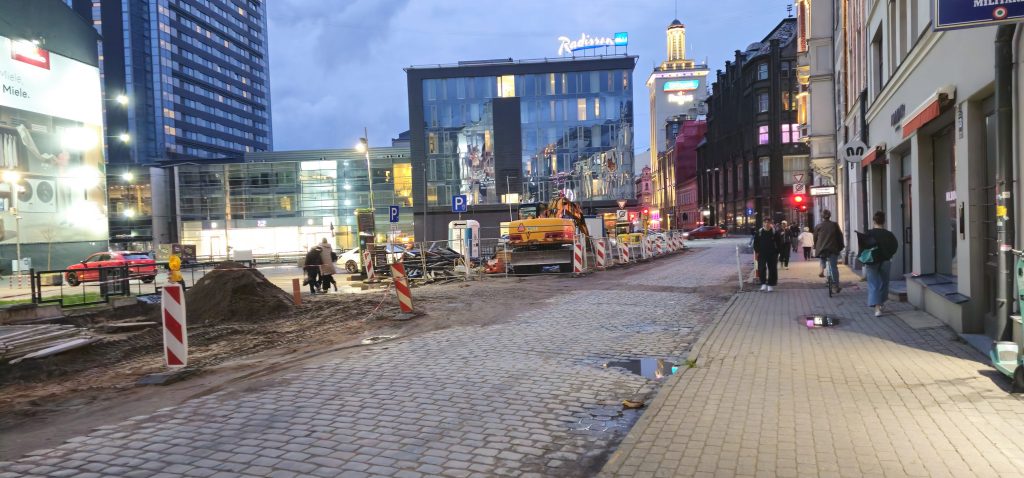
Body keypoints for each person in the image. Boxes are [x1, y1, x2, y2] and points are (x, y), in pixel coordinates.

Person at [862, 211, 899, 316]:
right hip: (886, 261)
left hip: (872, 261)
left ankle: (877, 308)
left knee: (873, 284)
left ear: (874, 220)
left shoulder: (869, 233)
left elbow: (864, 247)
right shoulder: (889, 234)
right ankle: (881, 303)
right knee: (884, 283)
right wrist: (889, 255)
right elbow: (895, 247)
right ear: (884, 221)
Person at [813, 209, 845, 291]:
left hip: (822, 248)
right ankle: (835, 286)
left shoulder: (818, 226)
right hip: (833, 248)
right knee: (834, 267)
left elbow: (815, 238)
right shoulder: (834, 225)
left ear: (822, 216)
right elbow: (840, 236)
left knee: (822, 256)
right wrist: (841, 246)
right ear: (830, 216)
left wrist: (816, 247)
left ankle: (822, 268)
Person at [752, 218, 782, 292]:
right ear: (763, 223)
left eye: (768, 222)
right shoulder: (759, 232)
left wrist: (778, 252)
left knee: (772, 269)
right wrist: (757, 251)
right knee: (761, 269)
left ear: (770, 223)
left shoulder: (774, 232)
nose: (766, 224)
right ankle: (763, 283)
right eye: (765, 222)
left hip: (772, 254)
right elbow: (755, 243)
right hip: (762, 253)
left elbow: (779, 243)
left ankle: (771, 284)